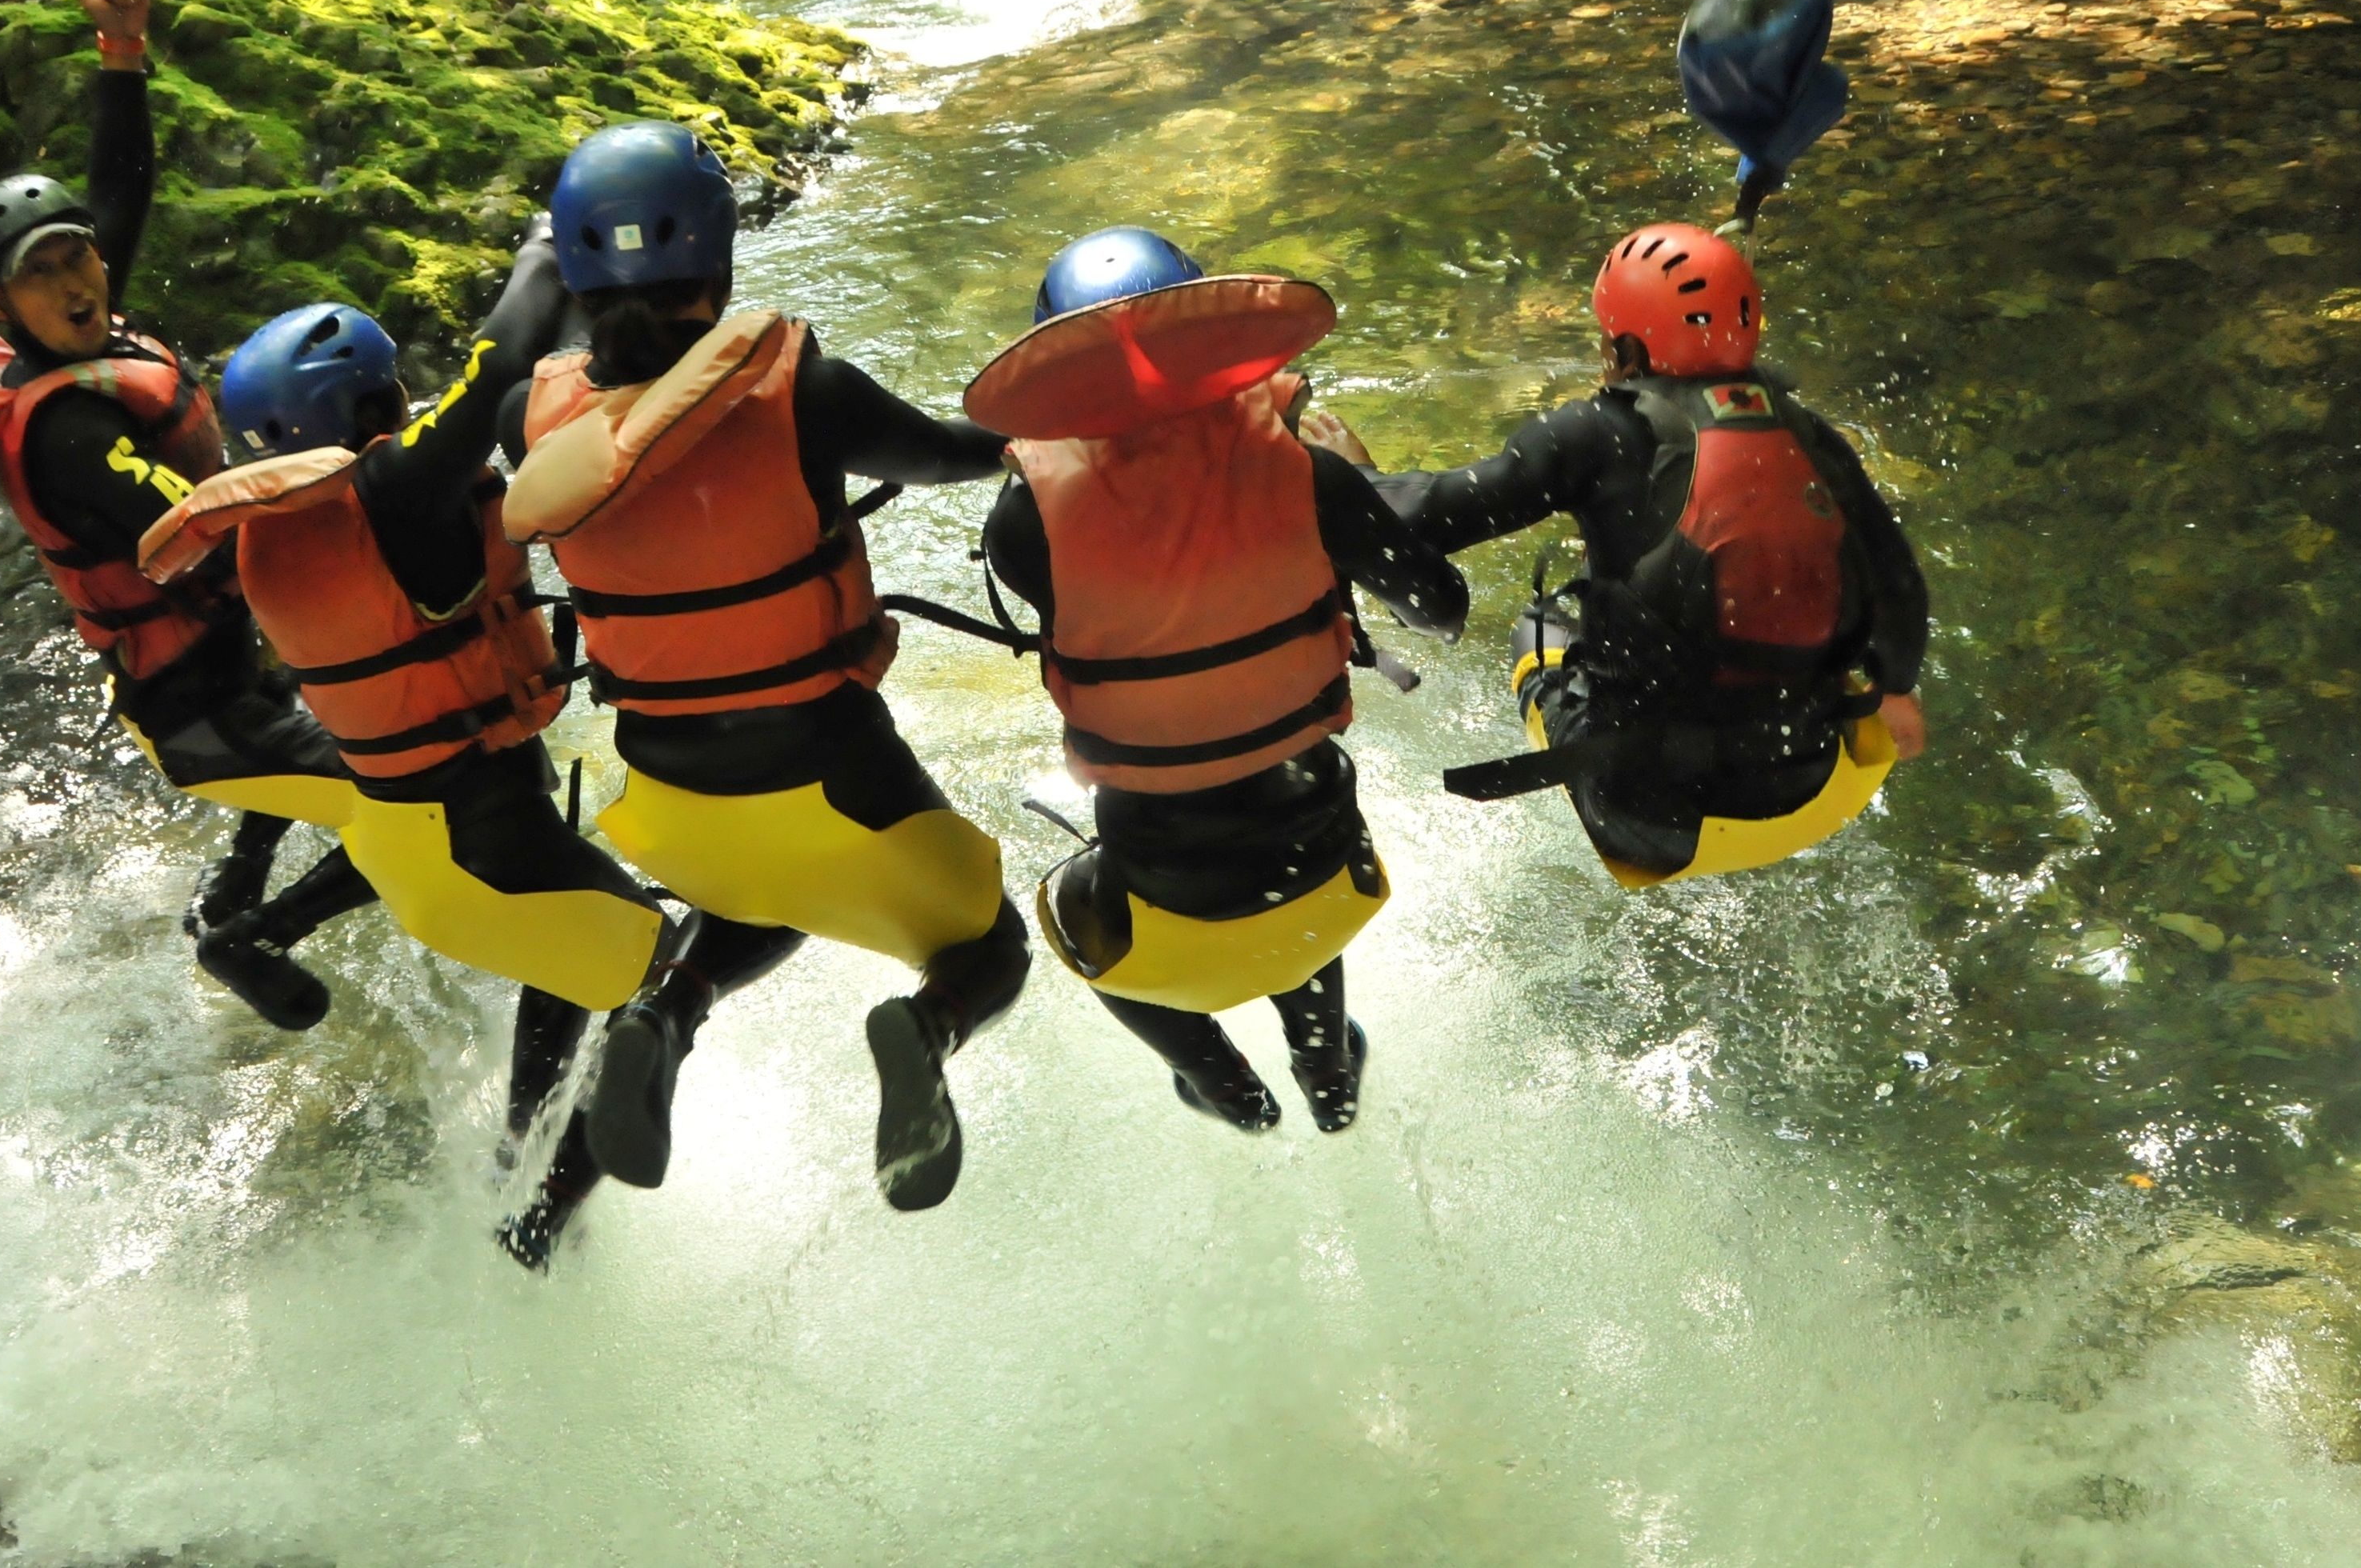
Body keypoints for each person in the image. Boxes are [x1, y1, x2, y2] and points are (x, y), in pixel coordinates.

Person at [502, 121, 1026, 1214]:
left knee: (766, 894)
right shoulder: (803, 389)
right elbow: (945, 454)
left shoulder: (527, 417)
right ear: (718, 254)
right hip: (834, 774)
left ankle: (668, 1012)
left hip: (670, 797)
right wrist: (1042, 432)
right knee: (997, 949)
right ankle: (926, 1024)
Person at [137, 226, 666, 1271]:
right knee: (681, 980)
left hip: (402, 845)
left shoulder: (276, 537)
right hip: (488, 850)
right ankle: (544, 1216)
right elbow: (502, 359)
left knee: (564, 951)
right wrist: (549, 246)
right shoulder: (396, 493)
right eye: (395, 396)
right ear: (371, 409)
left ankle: (517, 1148)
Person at [0, 0, 368, 1033]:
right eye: (40, 273)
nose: (72, 280)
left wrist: (121, 50)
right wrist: (375, 495)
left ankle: (231, 885)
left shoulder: (96, 326)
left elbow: (120, 191)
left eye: (77, 258)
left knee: (324, 707)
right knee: (422, 777)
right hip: (195, 710)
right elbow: (205, 530)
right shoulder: (65, 429)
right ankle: (250, 937)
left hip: (232, 669)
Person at [972, 226, 1467, 1135]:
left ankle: (1219, 1081)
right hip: (1328, 880)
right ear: (1209, 343)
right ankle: (1324, 1062)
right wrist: (1362, 484)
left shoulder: (1023, 526)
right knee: (1279, 824)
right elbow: (1442, 608)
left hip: (1165, 901)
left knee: (1070, 901)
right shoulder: (1312, 476)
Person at [1341, 222, 1928, 887]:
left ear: (1624, 343)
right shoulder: (1810, 434)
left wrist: (1353, 474)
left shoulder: (1596, 431)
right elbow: (1903, 593)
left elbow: (1430, 516)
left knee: (1539, 624)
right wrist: (1898, 690)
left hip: (1652, 819)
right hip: (1806, 788)